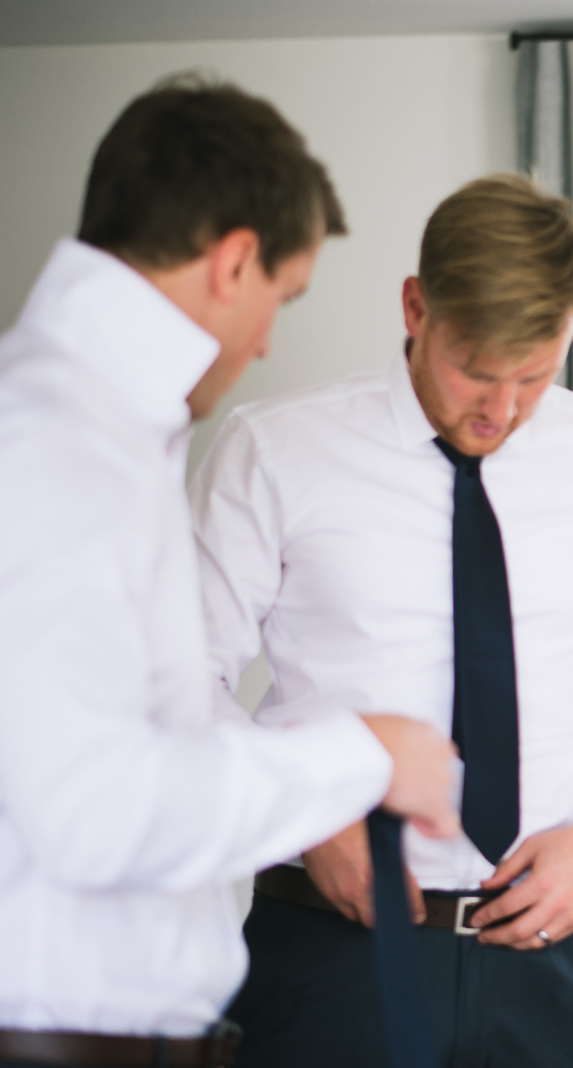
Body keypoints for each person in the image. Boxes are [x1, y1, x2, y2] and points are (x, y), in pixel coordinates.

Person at [190, 173, 573, 1068]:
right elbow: (177, 679)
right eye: (475, 369)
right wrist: (303, 813)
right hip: (333, 953)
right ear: (415, 307)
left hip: (547, 962)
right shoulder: (273, 451)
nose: (500, 411)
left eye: (535, 376)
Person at [0, 77, 459, 1068]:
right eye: (280, 299)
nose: (267, 342)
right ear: (234, 260)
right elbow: (93, 806)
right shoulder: (54, 442)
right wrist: (361, 757)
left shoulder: (101, 433)